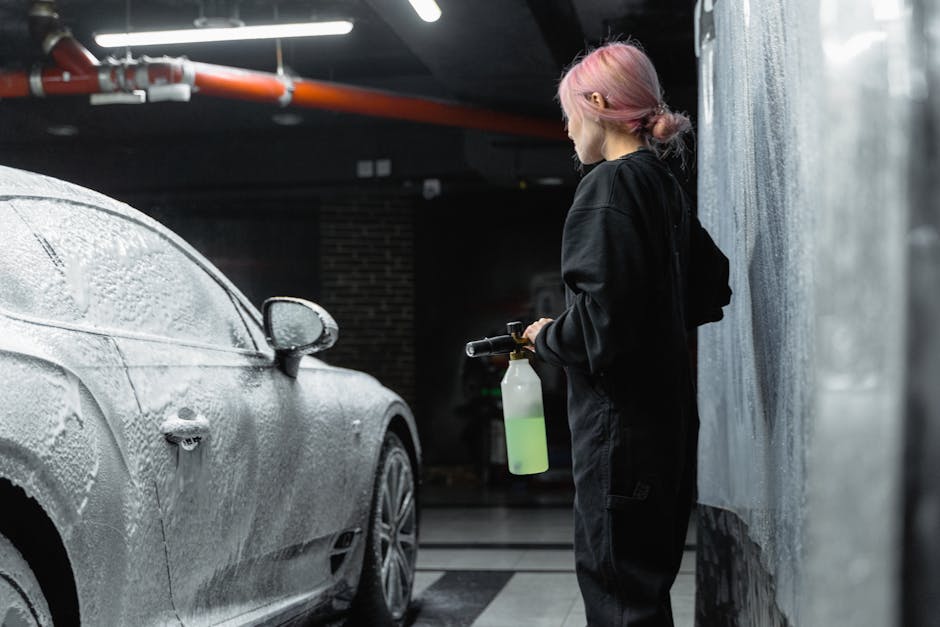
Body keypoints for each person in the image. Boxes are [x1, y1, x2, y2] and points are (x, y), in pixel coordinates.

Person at [522, 40, 731, 627]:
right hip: (666, 432)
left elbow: (598, 327)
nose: (567, 132)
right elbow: (712, 285)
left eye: (570, 115)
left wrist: (545, 337)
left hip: (620, 437)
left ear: (595, 103)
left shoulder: (609, 187)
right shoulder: (662, 187)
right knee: (643, 595)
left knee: (617, 599)